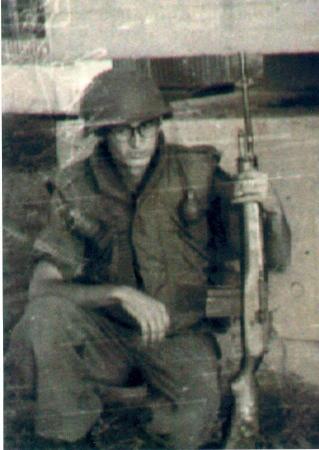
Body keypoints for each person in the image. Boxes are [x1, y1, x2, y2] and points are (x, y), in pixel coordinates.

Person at [5, 70, 290, 449]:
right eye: (123, 130)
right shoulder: (76, 187)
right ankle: (66, 439)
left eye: (147, 126)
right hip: (107, 337)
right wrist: (119, 293)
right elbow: (43, 289)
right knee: (44, 321)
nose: (137, 141)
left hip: (180, 335)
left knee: (191, 419)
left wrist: (271, 207)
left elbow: (275, 257)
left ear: (159, 125)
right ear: (103, 134)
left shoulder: (197, 172)